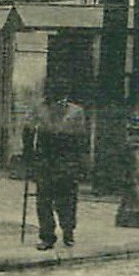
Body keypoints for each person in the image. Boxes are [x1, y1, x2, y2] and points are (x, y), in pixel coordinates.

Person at [25, 95, 87, 250]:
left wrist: (79, 163)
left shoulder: (76, 112)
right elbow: (28, 130)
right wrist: (28, 153)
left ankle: (68, 229)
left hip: (67, 159)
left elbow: (81, 139)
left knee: (66, 198)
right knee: (43, 199)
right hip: (45, 159)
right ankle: (47, 236)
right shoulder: (39, 109)